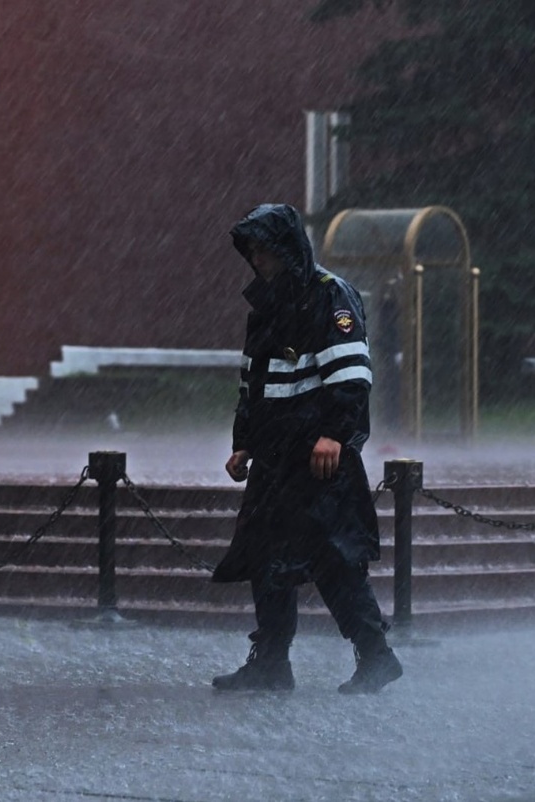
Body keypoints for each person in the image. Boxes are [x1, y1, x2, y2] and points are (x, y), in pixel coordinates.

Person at [210, 203, 402, 695]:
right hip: (276, 457)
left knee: (335, 559)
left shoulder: (329, 295)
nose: (257, 259)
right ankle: (271, 662)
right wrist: (244, 442)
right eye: (251, 251)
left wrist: (335, 434)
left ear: (286, 248)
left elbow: (352, 374)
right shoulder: (268, 305)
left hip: (319, 459)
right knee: (266, 559)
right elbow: (253, 383)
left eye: (264, 249)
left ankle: (376, 656)